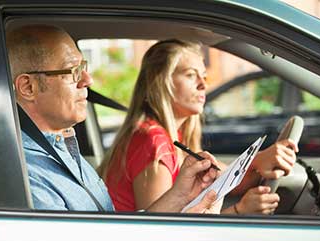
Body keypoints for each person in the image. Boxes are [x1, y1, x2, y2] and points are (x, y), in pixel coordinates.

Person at [6, 25, 220, 213]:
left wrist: (181, 195)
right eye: (73, 71)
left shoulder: (66, 149)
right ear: (28, 87)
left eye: (84, 67)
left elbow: (117, 232)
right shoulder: (27, 176)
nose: (87, 80)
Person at [100, 39, 299, 214]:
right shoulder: (152, 142)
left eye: (203, 75)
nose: (203, 84)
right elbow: (161, 233)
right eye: (190, 75)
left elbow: (223, 179)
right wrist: (239, 212)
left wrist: (258, 161)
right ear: (160, 83)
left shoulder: (172, 137)